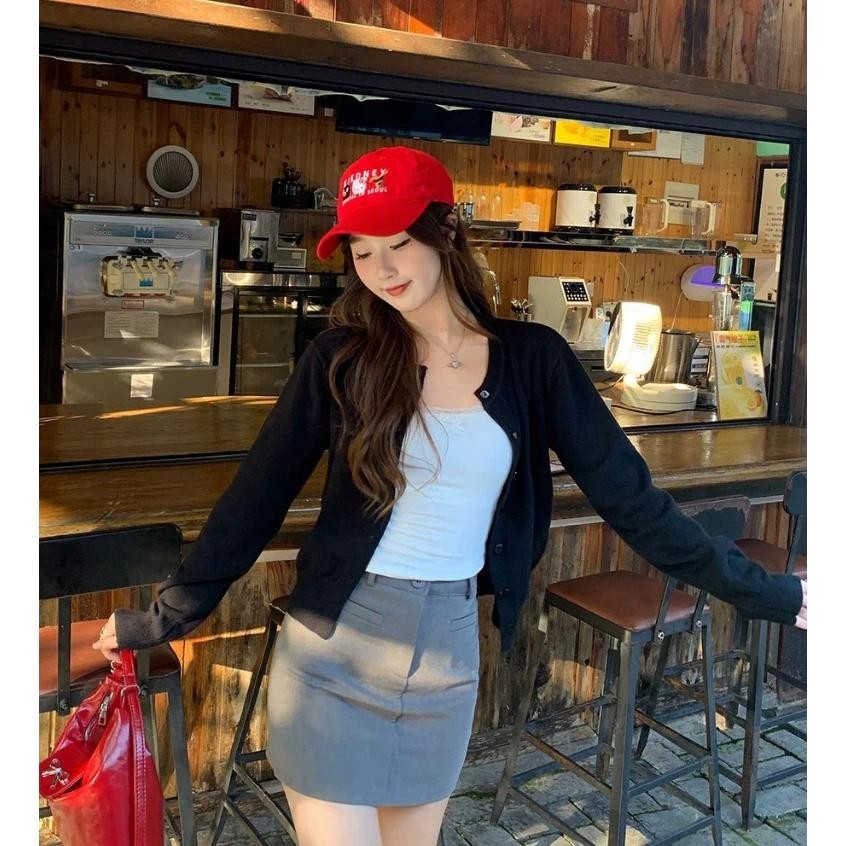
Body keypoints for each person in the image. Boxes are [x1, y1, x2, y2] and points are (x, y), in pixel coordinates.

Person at [94, 145, 808, 846]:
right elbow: (255, 499)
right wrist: (162, 618)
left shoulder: (534, 360)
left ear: (446, 232)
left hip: (447, 649)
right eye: (362, 252)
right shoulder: (340, 359)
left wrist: (766, 592)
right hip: (334, 650)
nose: (381, 269)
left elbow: (635, 503)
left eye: (398, 243)